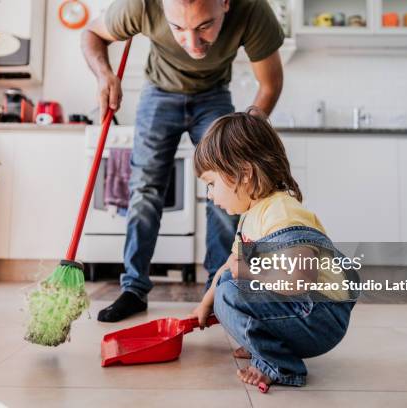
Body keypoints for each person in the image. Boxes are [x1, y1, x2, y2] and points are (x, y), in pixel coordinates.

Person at [81, 0, 286, 322]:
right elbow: (93, 33)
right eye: (178, 28)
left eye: (204, 26)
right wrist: (104, 75)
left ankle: (218, 293)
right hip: (158, 93)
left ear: (225, 4)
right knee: (145, 188)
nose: (192, 43)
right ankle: (133, 288)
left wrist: (244, 130)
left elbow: (270, 84)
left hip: (213, 95)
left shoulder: (252, 9)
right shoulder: (141, 5)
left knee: (228, 189)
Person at [191, 110, 359, 387]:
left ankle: (278, 364)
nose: (209, 194)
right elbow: (228, 266)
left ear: (244, 173)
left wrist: (246, 272)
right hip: (302, 309)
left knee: (231, 292)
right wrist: (203, 306)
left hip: (319, 314)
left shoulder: (281, 213)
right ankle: (264, 343)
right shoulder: (251, 215)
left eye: (212, 183)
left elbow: (300, 279)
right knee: (225, 286)